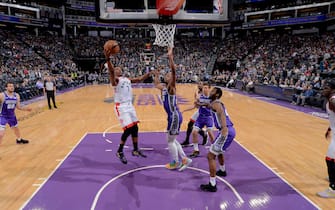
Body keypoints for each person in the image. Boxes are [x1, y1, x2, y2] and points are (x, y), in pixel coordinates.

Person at [104, 42, 151, 164]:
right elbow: (110, 70)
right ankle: (120, 151)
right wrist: (108, 59)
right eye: (116, 68)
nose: (117, 69)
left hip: (130, 106)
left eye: (119, 68)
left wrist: (150, 73)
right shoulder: (115, 80)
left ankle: (135, 149)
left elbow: (140, 79)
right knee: (128, 129)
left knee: (135, 127)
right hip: (122, 106)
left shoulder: (127, 79)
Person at [153, 47, 192, 171]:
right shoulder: (164, 87)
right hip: (172, 116)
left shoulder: (171, 87)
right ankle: (185, 159)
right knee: (172, 140)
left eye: (169, 75)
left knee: (170, 141)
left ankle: (176, 162)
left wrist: (170, 57)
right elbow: (155, 84)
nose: (168, 75)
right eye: (167, 74)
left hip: (174, 115)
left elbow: (174, 72)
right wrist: (157, 74)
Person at [200, 87, 236, 192]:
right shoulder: (214, 103)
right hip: (228, 131)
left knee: (210, 156)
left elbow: (222, 114)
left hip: (226, 131)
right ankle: (222, 170)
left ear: (216, 95)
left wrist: (224, 128)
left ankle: (212, 184)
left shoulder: (217, 104)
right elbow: (208, 105)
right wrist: (200, 104)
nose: (210, 92)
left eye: (212, 91)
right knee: (218, 151)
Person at [317, 79, 335, 198]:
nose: (324, 89)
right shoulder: (330, 100)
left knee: (330, 159)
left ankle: (332, 189)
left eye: (326, 87)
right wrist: (329, 129)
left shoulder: (333, 100)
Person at [189, 82, 215, 158]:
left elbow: (211, 107)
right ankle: (196, 150)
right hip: (200, 117)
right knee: (194, 132)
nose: (205, 89)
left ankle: (214, 149)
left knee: (210, 133)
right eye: (204, 88)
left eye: (206, 88)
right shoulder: (200, 97)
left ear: (209, 89)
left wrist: (201, 104)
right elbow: (197, 106)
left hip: (208, 117)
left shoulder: (212, 98)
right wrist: (196, 104)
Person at [181, 81, 208, 147]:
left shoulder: (206, 93)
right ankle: (187, 140)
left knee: (193, 126)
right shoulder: (197, 93)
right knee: (190, 125)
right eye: (198, 84)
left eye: (201, 84)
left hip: (204, 112)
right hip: (199, 111)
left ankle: (204, 134)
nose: (199, 85)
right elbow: (195, 106)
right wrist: (184, 110)